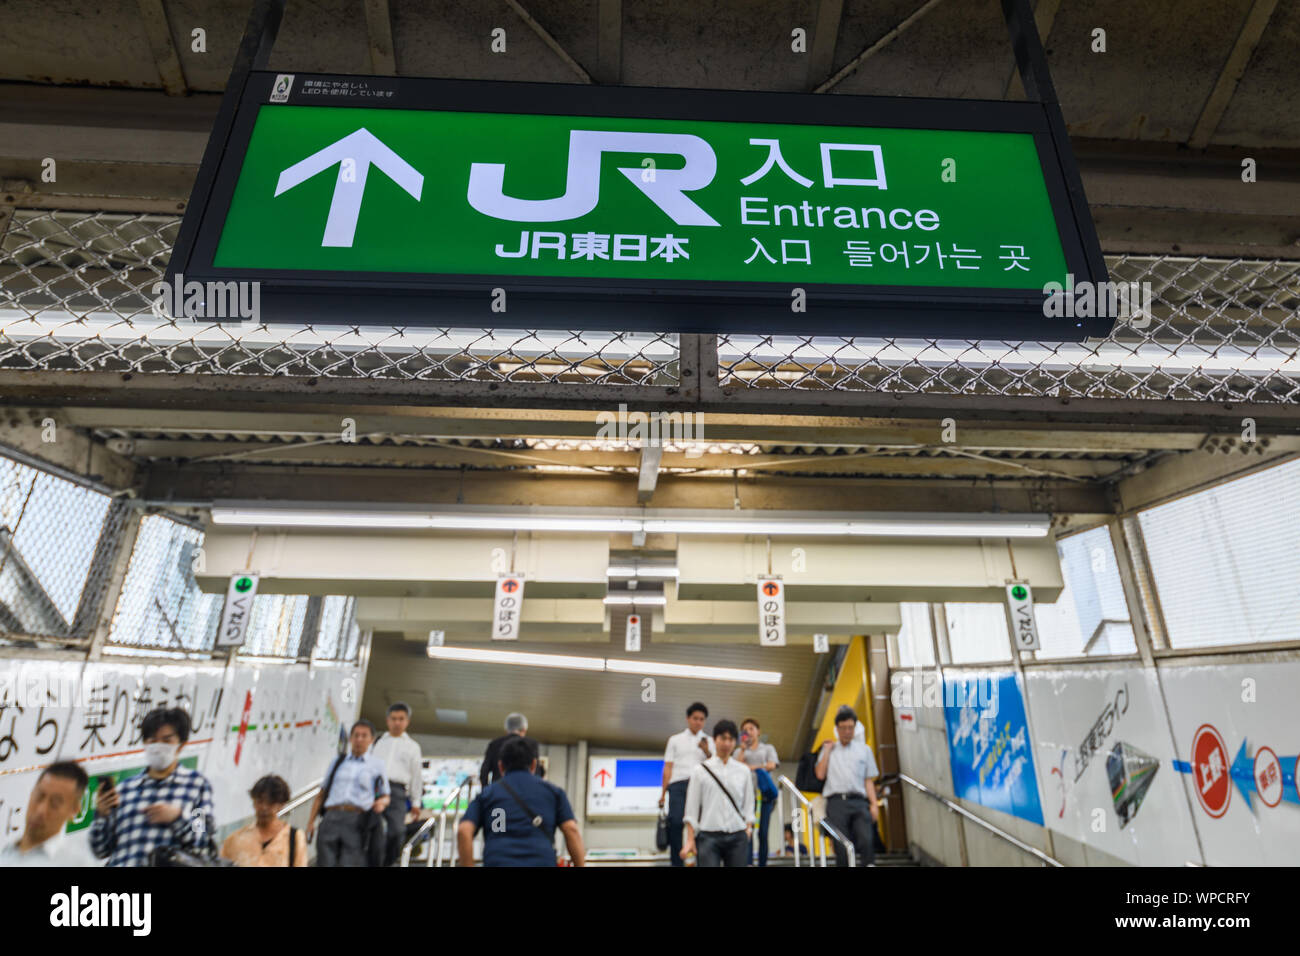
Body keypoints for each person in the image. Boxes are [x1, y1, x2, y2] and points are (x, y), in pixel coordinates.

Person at [90, 707, 217, 867]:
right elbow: (100, 850)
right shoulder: (125, 790)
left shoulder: (197, 786)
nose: (158, 746)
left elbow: (203, 839)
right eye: (152, 740)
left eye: (166, 740)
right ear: (144, 743)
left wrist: (177, 818)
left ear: (181, 744)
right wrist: (101, 816)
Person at [458, 735, 585, 867]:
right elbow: (571, 830)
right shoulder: (554, 793)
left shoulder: (487, 794)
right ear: (534, 765)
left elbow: (464, 830)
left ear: (501, 766)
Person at [306, 719, 390, 867]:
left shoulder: (377, 765)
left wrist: (381, 803)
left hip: (357, 820)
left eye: (364, 736)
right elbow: (321, 794)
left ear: (371, 740)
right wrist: (310, 823)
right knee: (325, 861)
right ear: (350, 738)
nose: (359, 739)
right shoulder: (338, 761)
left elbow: (386, 796)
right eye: (356, 735)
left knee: (349, 862)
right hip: (331, 817)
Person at [681, 719, 753, 867]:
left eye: (731, 739)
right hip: (708, 836)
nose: (727, 743)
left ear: (735, 742)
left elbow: (749, 803)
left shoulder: (743, 770)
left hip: (737, 835)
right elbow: (691, 807)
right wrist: (690, 839)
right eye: (723, 738)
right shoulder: (700, 770)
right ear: (714, 740)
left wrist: (748, 828)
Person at [814, 705, 880, 867]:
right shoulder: (829, 749)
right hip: (836, 803)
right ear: (837, 728)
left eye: (850, 728)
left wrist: (874, 804)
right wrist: (827, 751)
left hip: (859, 801)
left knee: (866, 839)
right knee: (842, 845)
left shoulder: (865, 750)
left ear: (855, 727)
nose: (847, 731)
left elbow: (868, 780)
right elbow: (820, 774)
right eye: (843, 728)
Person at [0, 761, 93, 866]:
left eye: (55, 804)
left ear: (74, 810)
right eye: (39, 796)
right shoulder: (7, 853)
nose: (41, 811)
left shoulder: (78, 863)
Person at [658, 701, 714, 867]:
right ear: (688, 719)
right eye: (695, 718)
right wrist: (662, 794)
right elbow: (667, 767)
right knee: (675, 822)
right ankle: (677, 863)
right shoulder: (675, 740)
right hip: (678, 785)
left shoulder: (710, 741)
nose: (698, 722)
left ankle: (699, 862)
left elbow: (715, 765)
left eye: (702, 719)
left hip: (701, 786)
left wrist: (706, 750)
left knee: (701, 826)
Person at [371, 701, 424, 866]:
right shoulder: (377, 743)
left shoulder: (413, 747)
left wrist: (416, 802)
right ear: (388, 721)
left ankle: (386, 864)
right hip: (374, 789)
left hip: (397, 792)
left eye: (401, 719)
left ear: (407, 721)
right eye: (393, 719)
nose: (397, 722)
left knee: (397, 832)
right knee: (371, 830)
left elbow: (417, 776)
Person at [220, 774, 308, 867]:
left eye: (270, 803)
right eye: (260, 801)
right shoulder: (235, 840)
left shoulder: (294, 837)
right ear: (253, 802)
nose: (264, 807)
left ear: (281, 805)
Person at [738, 716, 779, 866]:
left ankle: (762, 863)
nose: (748, 732)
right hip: (746, 797)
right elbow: (735, 768)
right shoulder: (739, 751)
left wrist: (751, 767)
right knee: (747, 833)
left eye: (751, 729)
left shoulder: (768, 748)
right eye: (745, 730)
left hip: (765, 797)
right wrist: (742, 750)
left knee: (763, 833)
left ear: (758, 731)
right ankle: (748, 863)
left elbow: (772, 765)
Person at [480, 712, 528, 786]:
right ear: (524, 729)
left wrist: (486, 790)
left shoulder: (494, 744)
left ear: (507, 729)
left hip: (498, 790)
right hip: (522, 792)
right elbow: (536, 773)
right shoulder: (529, 745)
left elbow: (484, 771)